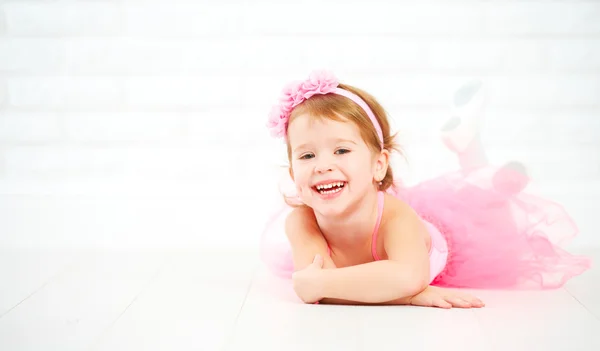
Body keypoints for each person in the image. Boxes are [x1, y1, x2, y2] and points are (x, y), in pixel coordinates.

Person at [259, 70, 592, 308]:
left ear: (379, 165)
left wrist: (406, 287)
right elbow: (320, 290)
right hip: (402, 269)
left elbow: (332, 281)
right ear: (293, 171)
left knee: (495, 219)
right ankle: (480, 170)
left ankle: (473, 157)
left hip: (451, 244)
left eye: (342, 150)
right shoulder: (301, 221)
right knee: (483, 201)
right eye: (307, 155)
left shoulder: (395, 217)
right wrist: (410, 294)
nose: (322, 165)